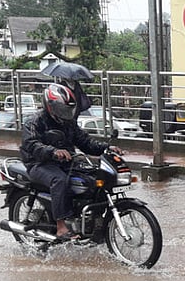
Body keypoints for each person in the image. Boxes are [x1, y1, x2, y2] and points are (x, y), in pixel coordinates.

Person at [20, 83, 123, 241]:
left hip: (66, 163)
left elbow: (85, 142)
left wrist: (107, 148)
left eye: (67, 109)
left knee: (95, 180)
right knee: (59, 180)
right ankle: (61, 226)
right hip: (39, 164)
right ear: (50, 106)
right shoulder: (34, 122)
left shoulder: (68, 123)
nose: (65, 113)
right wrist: (53, 151)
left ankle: (94, 222)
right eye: (62, 109)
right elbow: (32, 144)